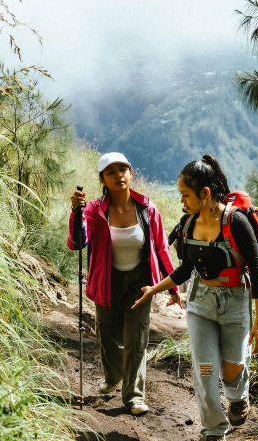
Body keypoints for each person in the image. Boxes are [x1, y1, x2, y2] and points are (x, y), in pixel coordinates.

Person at [133, 154, 258, 441]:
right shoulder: (188, 223)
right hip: (201, 304)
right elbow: (185, 269)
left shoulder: (236, 222)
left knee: (232, 371)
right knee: (205, 370)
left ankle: (238, 396)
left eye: (185, 195)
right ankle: (214, 432)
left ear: (205, 193)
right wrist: (155, 289)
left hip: (235, 302)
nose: (181, 201)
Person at [67, 152, 181, 415]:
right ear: (103, 180)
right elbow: (77, 242)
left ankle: (134, 396)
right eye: (111, 172)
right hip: (107, 280)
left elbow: (162, 249)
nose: (118, 175)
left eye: (123, 169)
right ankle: (114, 375)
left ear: (131, 173)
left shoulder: (148, 210)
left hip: (140, 283)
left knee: (136, 339)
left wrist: (173, 286)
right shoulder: (95, 210)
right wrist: (76, 212)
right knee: (107, 336)